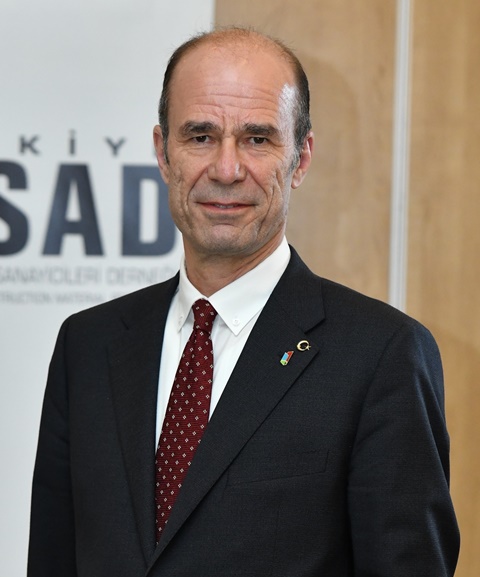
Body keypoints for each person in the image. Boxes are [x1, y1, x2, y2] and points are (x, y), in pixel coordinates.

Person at [27, 27, 460, 577]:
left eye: (257, 139)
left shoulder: (383, 356)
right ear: (163, 153)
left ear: (300, 159)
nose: (227, 169)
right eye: (200, 136)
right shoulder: (87, 346)